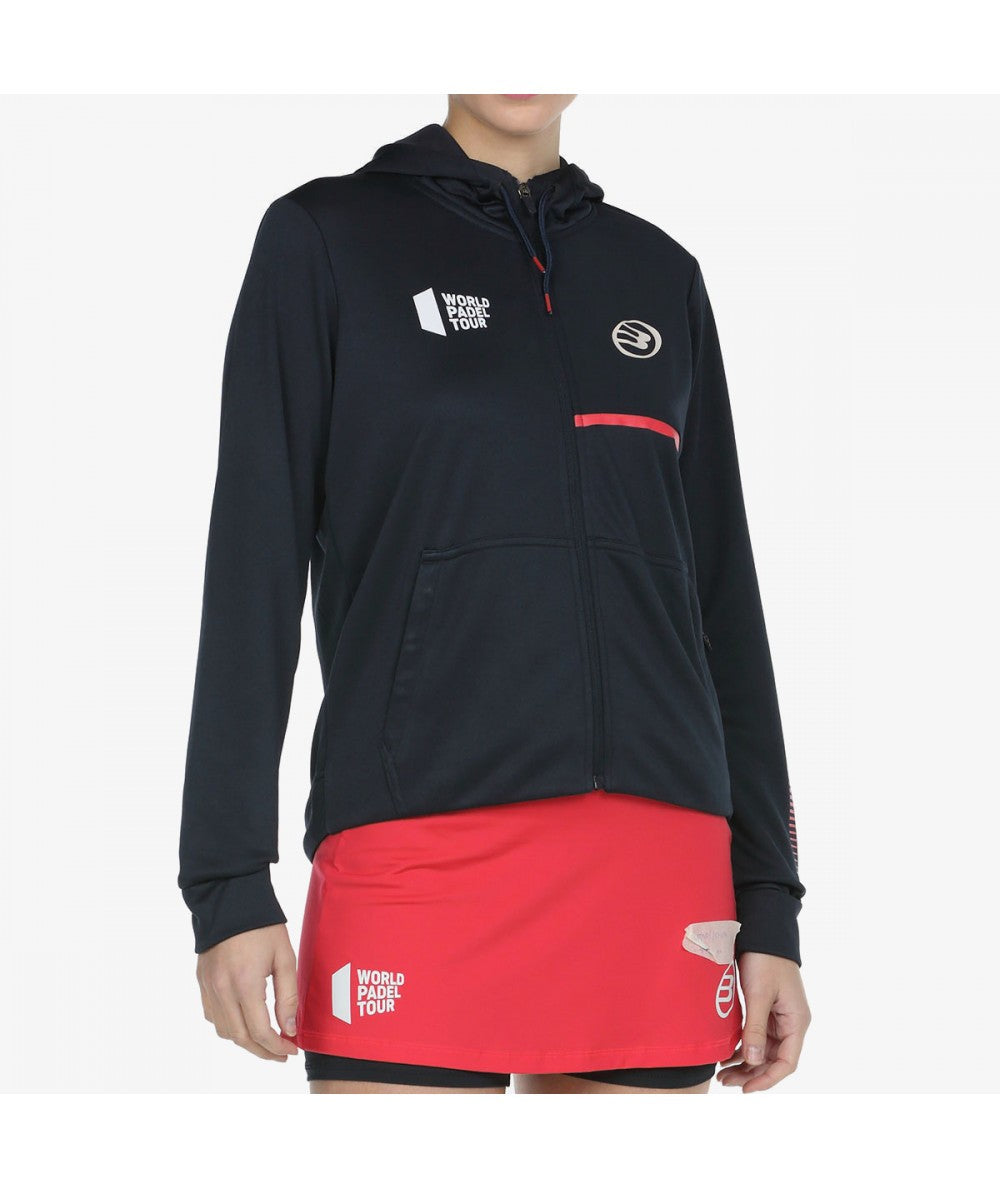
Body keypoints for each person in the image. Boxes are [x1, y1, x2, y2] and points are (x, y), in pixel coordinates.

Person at [178, 94, 811, 1094]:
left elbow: (723, 602)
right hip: (415, 839)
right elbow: (252, 567)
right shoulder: (327, 238)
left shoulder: (658, 271)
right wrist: (226, 882)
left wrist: (770, 901)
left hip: (658, 854)